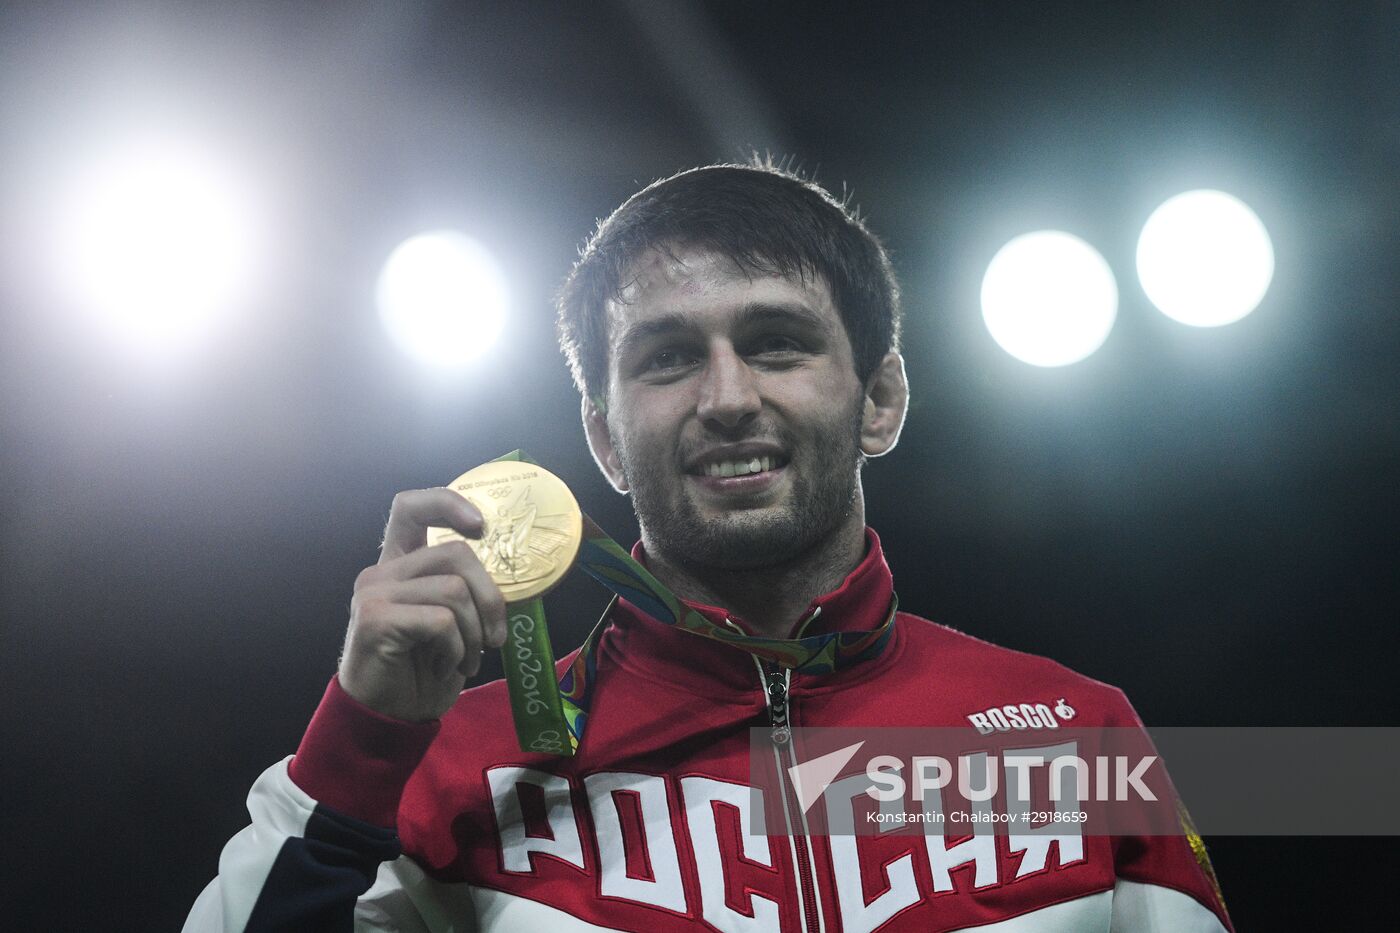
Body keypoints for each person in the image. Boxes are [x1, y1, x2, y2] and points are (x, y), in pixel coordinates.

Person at [184, 162, 1233, 932]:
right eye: (667, 358)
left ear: (879, 398)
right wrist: (363, 743)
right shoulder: (456, 772)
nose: (727, 398)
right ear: (602, 436)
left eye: (775, 343)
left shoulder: (1075, 737)